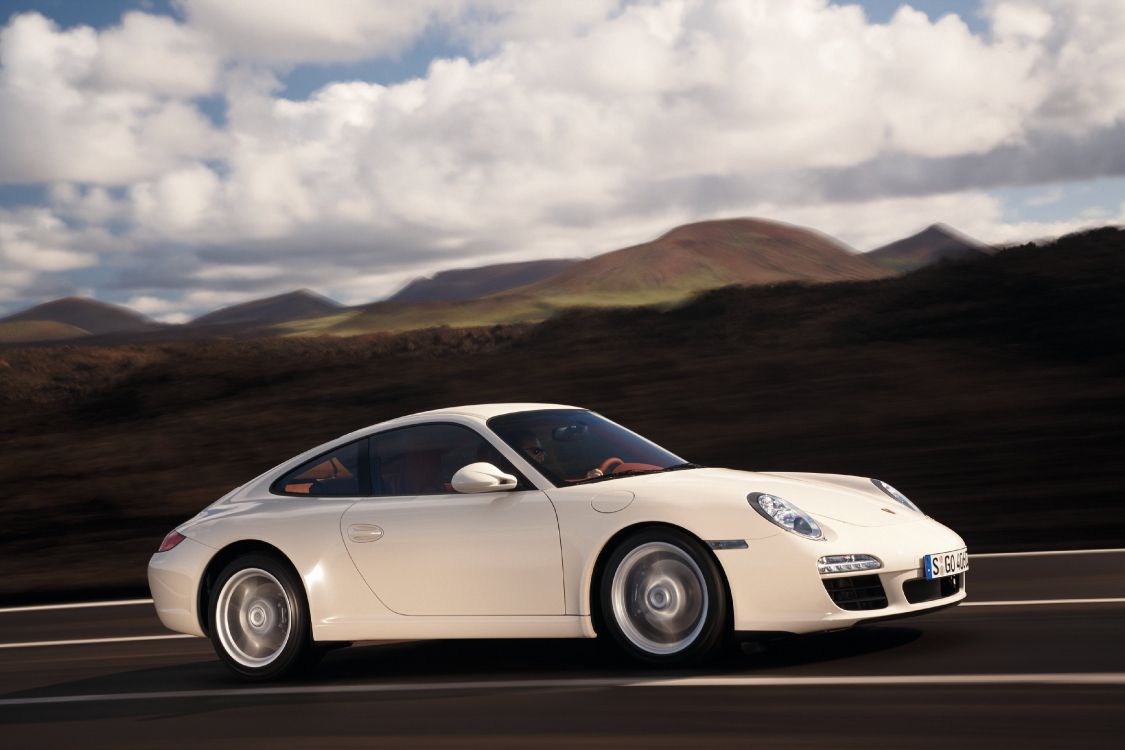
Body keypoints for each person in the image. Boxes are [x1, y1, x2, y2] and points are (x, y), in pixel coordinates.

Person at [514, 429, 602, 479]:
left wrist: (586, 479)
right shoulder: (517, 480)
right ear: (517, 452)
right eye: (536, 451)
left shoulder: (540, 474)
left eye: (543, 451)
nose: (543, 456)